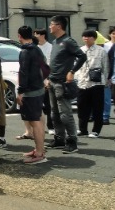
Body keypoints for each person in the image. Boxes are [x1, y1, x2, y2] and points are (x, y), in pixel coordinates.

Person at [46, 16, 87, 154]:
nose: (50, 27)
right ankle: (59, 139)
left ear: (59, 26)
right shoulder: (56, 41)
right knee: (54, 113)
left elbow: (82, 56)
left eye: (51, 24)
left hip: (62, 82)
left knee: (65, 113)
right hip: (52, 80)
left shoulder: (68, 41)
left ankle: (72, 141)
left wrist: (72, 71)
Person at [16, 25, 48, 164]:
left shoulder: (25, 52)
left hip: (31, 90)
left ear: (19, 36)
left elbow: (24, 72)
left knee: (35, 122)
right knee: (38, 120)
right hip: (39, 87)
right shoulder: (37, 49)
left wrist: (20, 91)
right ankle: (39, 149)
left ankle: (40, 153)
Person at [75, 30, 108, 138]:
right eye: (84, 36)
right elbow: (76, 65)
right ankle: (82, 129)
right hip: (82, 82)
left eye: (88, 37)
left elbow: (106, 66)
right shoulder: (80, 50)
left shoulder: (101, 51)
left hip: (97, 82)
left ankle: (96, 130)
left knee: (97, 107)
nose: (86, 38)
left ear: (94, 38)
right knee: (82, 107)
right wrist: (77, 77)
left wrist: (106, 80)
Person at [34, 28, 54, 133]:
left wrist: (47, 79)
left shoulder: (50, 47)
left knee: (48, 104)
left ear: (42, 35)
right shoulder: (35, 48)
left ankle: (51, 127)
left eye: (36, 34)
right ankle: (39, 127)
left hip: (46, 79)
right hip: (36, 80)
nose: (35, 36)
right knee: (37, 105)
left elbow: (50, 65)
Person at [102, 26, 115, 125]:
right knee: (106, 97)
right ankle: (105, 116)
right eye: (113, 33)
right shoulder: (105, 46)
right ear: (109, 35)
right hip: (108, 73)